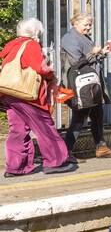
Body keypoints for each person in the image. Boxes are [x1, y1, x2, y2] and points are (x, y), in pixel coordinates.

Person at [0, 19, 76, 176]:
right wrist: (51, 73)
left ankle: (16, 167)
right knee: (44, 127)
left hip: (9, 93)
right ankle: (55, 162)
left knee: (18, 130)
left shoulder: (12, 46)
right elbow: (40, 68)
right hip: (28, 95)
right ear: (35, 33)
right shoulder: (31, 45)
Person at [60, 13, 111, 159]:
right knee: (80, 118)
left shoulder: (84, 37)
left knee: (97, 114)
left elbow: (91, 60)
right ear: (75, 23)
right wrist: (92, 52)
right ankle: (65, 152)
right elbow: (77, 62)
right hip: (79, 84)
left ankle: (101, 147)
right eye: (86, 25)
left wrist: (102, 53)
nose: (89, 28)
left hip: (90, 83)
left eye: (90, 25)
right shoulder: (69, 38)